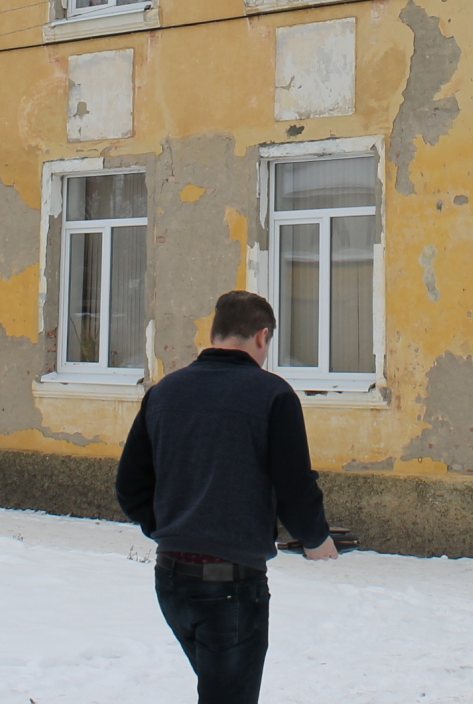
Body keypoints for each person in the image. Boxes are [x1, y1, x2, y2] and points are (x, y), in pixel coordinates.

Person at [116, 290, 338, 704]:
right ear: (262, 336)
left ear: (215, 333)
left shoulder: (164, 393)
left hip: (170, 581)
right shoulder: (273, 396)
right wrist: (316, 540)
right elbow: (295, 487)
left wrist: (170, 529)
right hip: (232, 588)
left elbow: (130, 487)